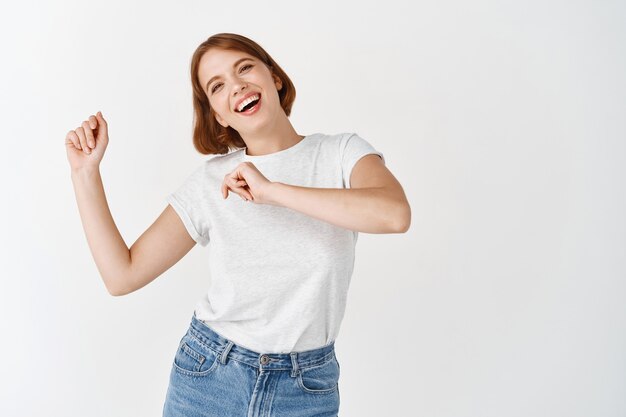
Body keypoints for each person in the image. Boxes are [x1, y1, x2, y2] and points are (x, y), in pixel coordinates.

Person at [65, 32, 411, 417]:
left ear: (274, 77)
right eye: (217, 86)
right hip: (209, 376)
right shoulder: (210, 183)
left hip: (306, 389)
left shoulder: (341, 153)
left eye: (244, 67)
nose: (237, 86)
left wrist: (273, 191)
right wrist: (85, 174)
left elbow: (393, 214)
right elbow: (121, 276)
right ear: (218, 114)